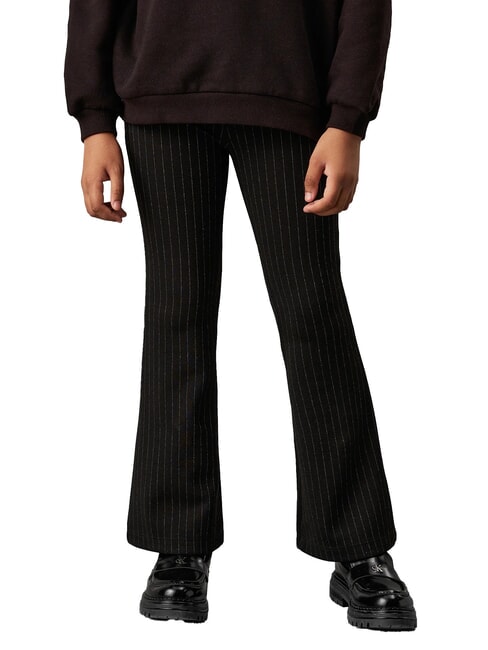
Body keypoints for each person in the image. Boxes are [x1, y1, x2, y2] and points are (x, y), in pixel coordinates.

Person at [64, 0, 417, 631]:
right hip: (162, 94)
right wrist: (95, 121)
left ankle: (357, 544)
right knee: (176, 319)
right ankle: (178, 545)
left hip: (290, 91)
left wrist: (348, 118)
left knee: (313, 316)